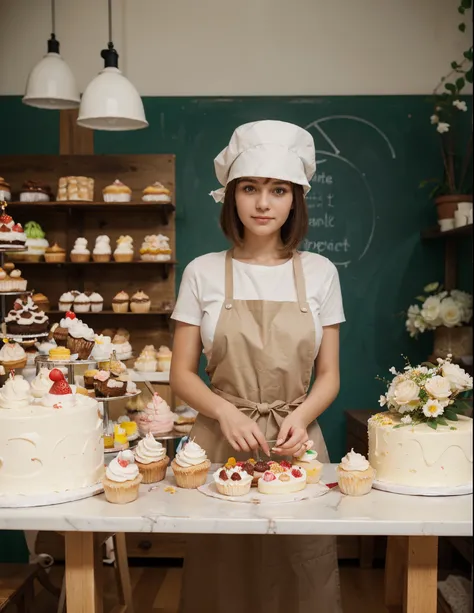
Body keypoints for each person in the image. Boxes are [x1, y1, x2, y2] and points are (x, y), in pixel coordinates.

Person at [170, 120, 345, 613]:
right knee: (220, 573)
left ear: (295, 199)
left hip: (296, 438)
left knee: (301, 568)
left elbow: (329, 373)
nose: (263, 203)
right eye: (250, 188)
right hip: (221, 440)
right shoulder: (202, 271)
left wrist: (303, 417)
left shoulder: (320, 273)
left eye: (278, 189)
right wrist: (227, 414)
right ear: (232, 196)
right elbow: (181, 373)